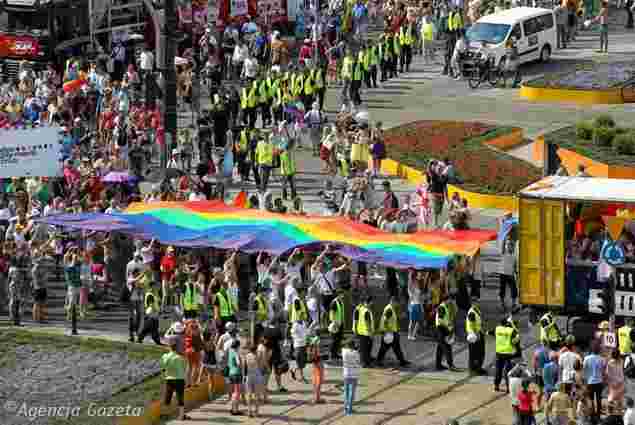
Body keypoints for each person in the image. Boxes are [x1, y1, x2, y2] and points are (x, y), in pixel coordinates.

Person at [160, 338, 190, 421]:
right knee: (180, 397)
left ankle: (164, 414)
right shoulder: (180, 358)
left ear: (169, 347)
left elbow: (163, 367)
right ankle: (181, 416)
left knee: (167, 396)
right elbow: (185, 369)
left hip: (169, 379)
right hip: (179, 379)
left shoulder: (165, 356)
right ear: (176, 347)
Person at [376, 296, 410, 368]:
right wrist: (388, 330)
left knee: (396, 347)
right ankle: (379, 361)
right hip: (389, 332)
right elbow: (384, 320)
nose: (397, 305)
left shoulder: (390, 308)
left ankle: (402, 361)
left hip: (392, 332)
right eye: (397, 303)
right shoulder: (389, 309)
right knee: (384, 348)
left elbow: (390, 320)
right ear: (393, 301)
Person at [494, 317, 519, 392]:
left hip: (499, 353)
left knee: (498, 370)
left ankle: (496, 386)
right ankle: (508, 388)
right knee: (508, 371)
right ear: (507, 323)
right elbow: (517, 337)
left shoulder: (497, 329)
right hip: (508, 353)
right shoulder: (511, 330)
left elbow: (490, 333)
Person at [583, 342, 606, 422]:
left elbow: (584, 370)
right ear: (598, 350)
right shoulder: (602, 359)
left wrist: (585, 382)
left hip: (590, 382)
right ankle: (598, 416)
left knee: (591, 400)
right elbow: (603, 371)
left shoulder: (586, 358)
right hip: (599, 381)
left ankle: (592, 416)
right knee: (599, 400)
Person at [435, 293, 457, 371]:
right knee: (447, 347)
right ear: (446, 300)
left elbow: (445, 319)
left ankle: (438, 365)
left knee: (440, 348)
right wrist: (448, 328)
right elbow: (441, 320)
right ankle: (451, 365)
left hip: (442, 329)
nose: (450, 301)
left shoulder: (444, 307)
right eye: (449, 300)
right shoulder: (442, 307)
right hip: (441, 329)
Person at [353, 295, 375, 368]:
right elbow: (367, 323)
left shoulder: (361, 309)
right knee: (365, 349)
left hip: (361, 332)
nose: (372, 303)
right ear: (369, 302)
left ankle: (365, 362)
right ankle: (365, 363)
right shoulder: (366, 311)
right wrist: (371, 333)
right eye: (372, 302)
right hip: (366, 333)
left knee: (363, 349)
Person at [466, 297, 486, 375]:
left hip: (478, 332)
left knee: (480, 352)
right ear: (472, 303)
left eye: (477, 301)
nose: (477, 303)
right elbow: (472, 324)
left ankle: (478, 367)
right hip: (473, 335)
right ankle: (473, 369)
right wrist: (477, 334)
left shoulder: (477, 310)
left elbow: (478, 322)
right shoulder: (471, 312)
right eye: (475, 302)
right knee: (474, 353)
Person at [244, 343, 264, 418]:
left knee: (248, 394)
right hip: (257, 375)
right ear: (255, 350)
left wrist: (244, 376)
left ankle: (249, 411)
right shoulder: (257, 356)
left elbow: (244, 366)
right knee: (257, 394)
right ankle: (256, 411)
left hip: (249, 375)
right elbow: (260, 366)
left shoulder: (247, 356)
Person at [342, 339, 361, 416]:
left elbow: (344, 348)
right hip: (354, 374)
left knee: (346, 391)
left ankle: (345, 407)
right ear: (354, 345)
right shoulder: (356, 353)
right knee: (352, 392)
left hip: (346, 374)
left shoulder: (344, 352)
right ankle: (350, 409)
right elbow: (358, 362)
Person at [227, 338, 243, 416]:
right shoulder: (236, 352)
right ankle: (235, 410)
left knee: (234, 392)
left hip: (231, 373)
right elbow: (238, 363)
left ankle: (232, 408)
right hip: (237, 373)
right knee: (237, 393)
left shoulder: (230, 351)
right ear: (238, 346)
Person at [308, 335, 325, 404]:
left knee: (315, 380)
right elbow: (318, 354)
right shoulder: (316, 345)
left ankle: (315, 397)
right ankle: (317, 398)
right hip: (318, 362)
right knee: (319, 380)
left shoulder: (311, 345)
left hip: (314, 363)